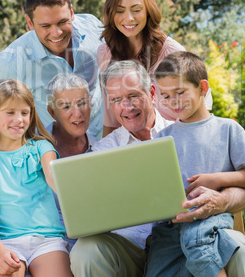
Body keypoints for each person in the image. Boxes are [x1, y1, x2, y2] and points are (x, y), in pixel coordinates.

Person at [144, 51, 245, 277]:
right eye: (166, 95)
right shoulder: (162, 138)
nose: (173, 102)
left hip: (210, 218)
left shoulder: (228, 130)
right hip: (171, 226)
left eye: (180, 92)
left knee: (198, 244)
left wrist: (216, 179)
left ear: (202, 88)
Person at [69, 60, 174, 277]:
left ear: (152, 93)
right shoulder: (102, 152)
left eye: (133, 96)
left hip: (176, 244)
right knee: (86, 249)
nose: (127, 107)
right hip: (128, 249)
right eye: (117, 100)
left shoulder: (180, 134)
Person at [97, 0, 212, 136]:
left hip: (177, 142)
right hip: (134, 147)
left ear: (148, 11)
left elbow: (201, 111)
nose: (128, 18)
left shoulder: (172, 52)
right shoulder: (105, 53)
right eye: (120, 10)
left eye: (136, 10)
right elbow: (111, 119)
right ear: (111, 13)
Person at [0, 79, 72, 277]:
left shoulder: (42, 148)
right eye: (10, 112)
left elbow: (54, 177)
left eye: (24, 112)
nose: (19, 119)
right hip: (5, 242)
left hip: (46, 241)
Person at [0, 0, 103, 137]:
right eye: (46, 26)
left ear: (71, 12)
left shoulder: (92, 25)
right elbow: (4, 122)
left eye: (62, 22)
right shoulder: (11, 63)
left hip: (104, 136)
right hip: (57, 150)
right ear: (30, 23)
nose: (56, 33)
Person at [46, 73, 98, 249]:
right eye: (66, 106)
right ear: (52, 112)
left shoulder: (102, 150)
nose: (77, 113)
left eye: (82, 103)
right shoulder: (34, 149)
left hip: (92, 245)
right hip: (45, 246)